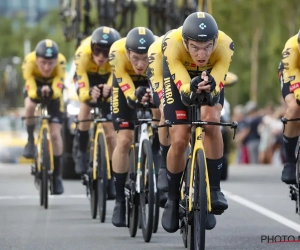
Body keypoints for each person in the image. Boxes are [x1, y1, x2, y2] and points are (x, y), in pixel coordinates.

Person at [160, 12, 234, 233]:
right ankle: (172, 199)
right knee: (180, 138)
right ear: (185, 43)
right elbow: (182, 87)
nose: (202, 54)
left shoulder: (225, 45)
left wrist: (211, 85)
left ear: (214, 42)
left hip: (209, 76)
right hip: (178, 79)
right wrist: (190, 88)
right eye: (195, 47)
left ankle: (214, 189)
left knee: (212, 120)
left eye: (207, 47)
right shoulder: (171, 44)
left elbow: (219, 79)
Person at [109, 27, 158, 227]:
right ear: (128, 53)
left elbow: (162, 88)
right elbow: (127, 90)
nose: (140, 64)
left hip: (151, 80)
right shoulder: (116, 53)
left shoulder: (158, 51)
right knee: (124, 139)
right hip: (124, 86)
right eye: (136, 58)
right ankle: (120, 199)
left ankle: (157, 155)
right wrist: (134, 96)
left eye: (145, 59)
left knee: (161, 112)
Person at [74, 26, 121, 199]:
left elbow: (115, 81)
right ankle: (82, 151)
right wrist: (89, 94)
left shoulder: (118, 55)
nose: (101, 57)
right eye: (97, 51)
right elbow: (82, 87)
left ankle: (112, 174)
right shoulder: (83, 54)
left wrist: (108, 90)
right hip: (88, 76)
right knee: (86, 106)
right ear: (92, 48)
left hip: (109, 76)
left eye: (106, 53)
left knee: (110, 132)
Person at [22, 39, 66, 194]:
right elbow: (29, 85)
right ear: (36, 59)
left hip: (54, 88)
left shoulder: (61, 62)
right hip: (35, 84)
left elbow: (59, 86)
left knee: (55, 134)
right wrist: (38, 93)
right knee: (29, 106)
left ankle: (57, 177)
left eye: (50, 63)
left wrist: (53, 92)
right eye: (42, 63)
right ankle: (30, 140)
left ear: (56, 60)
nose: (46, 67)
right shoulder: (29, 61)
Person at [279, 29, 300, 184]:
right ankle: (289, 161)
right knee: (294, 107)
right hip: (292, 72)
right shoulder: (291, 47)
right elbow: (294, 79)